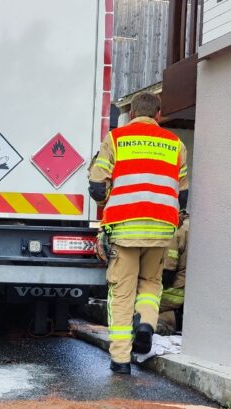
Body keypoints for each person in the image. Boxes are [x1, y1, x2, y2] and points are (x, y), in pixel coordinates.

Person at [88, 92, 189, 374]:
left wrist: (105, 204)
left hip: (125, 227)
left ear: (132, 114)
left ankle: (120, 360)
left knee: (121, 293)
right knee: (150, 284)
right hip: (160, 229)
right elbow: (182, 193)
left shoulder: (117, 139)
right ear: (158, 115)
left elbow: (97, 185)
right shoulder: (175, 144)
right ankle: (145, 325)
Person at [157, 212, 188, 335]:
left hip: (175, 292)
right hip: (187, 291)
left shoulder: (176, 231)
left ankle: (171, 321)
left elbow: (168, 272)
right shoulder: (194, 226)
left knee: (143, 308)